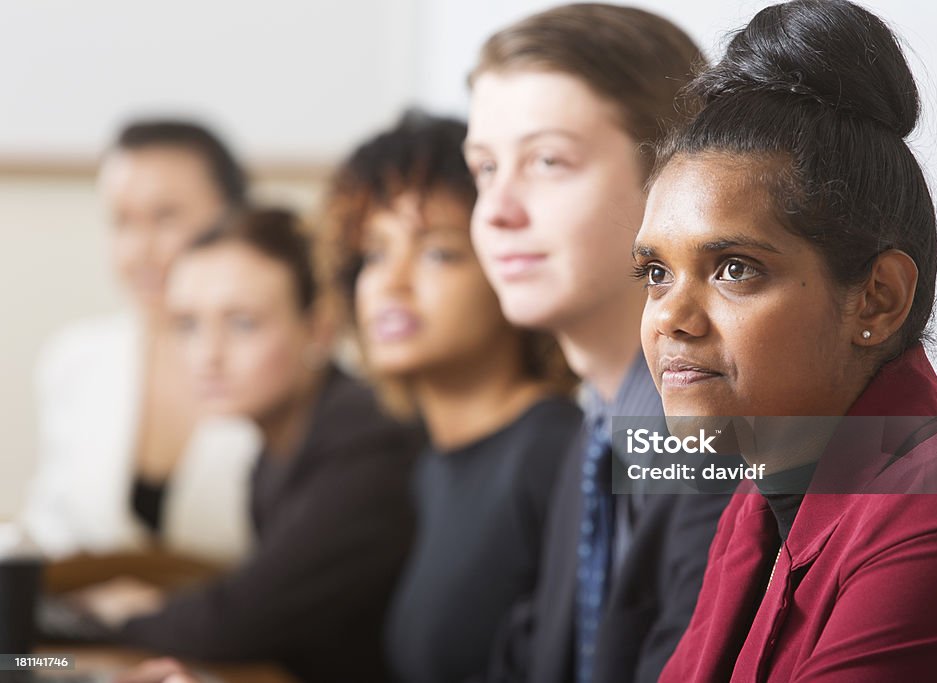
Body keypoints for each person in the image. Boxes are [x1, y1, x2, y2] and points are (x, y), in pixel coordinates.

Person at [633, 2, 937, 681]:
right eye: (655, 273)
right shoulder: (753, 509)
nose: (672, 316)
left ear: (877, 298)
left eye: (735, 269)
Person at [465, 6, 731, 682]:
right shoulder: (596, 434)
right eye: (484, 168)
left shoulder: (723, 445)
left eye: (547, 161)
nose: (496, 209)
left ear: (671, 180)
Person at [81, 207, 420, 682]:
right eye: (188, 325)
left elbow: (245, 620)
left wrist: (127, 619)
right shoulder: (275, 450)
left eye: (242, 324)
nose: (208, 355)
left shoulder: (370, 442)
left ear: (320, 328)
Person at [325, 110, 583, 683]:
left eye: (437, 252)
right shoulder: (431, 466)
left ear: (507, 266)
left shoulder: (552, 451)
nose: (390, 284)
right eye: (373, 253)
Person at [22, 120, 258, 563]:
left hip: (251, 629)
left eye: (165, 217)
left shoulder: (280, 362)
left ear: (233, 217)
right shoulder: (73, 361)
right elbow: (49, 526)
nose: (139, 249)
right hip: (86, 628)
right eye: (121, 221)